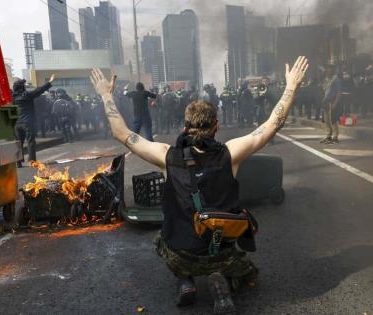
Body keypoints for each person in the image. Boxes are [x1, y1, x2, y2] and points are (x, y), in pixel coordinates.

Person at [90, 56, 308, 314]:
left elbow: (122, 133)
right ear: (216, 126)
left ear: (185, 127)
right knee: (248, 272)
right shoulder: (231, 154)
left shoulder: (166, 155)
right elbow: (273, 124)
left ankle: (185, 280)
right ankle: (222, 277)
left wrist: (106, 95)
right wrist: (291, 86)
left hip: (182, 253)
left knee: (162, 240)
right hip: (221, 252)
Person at [12, 75, 55, 166]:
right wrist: (50, 82)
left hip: (17, 123)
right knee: (31, 141)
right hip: (28, 122)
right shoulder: (26, 95)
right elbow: (39, 90)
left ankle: (18, 162)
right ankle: (32, 161)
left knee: (18, 143)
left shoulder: (12, 98)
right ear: (22, 87)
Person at [320, 63, 342, 144]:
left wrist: (335, 103)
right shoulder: (326, 79)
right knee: (327, 120)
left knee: (333, 119)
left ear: (333, 70)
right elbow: (324, 91)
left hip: (332, 101)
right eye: (327, 68)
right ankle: (328, 136)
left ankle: (335, 137)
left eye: (330, 68)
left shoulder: (336, 80)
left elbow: (339, 92)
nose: (328, 70)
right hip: (326, 101)